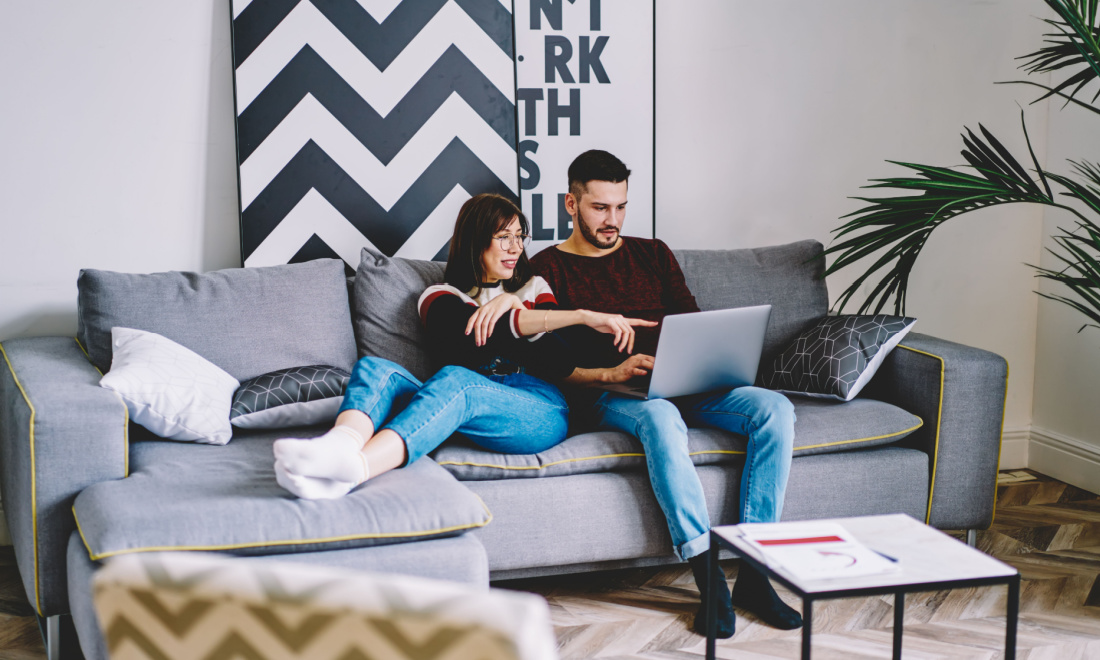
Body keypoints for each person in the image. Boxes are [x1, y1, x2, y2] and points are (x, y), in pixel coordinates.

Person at [530, 150, 802, 638]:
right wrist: (614, 371)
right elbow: (551, 365)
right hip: (616, 393)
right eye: (599, 208)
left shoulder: (653, 254)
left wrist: (710, 362)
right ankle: (708, 577)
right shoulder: (547, 267)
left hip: (687, 383)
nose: (612, 220)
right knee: (659, 417)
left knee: (775, 409)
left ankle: (756, 574)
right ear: (570, 204)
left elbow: (693, 323)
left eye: (621, 207)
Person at [273, 193, 655, 500]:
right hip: (465, 393)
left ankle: (356, 469)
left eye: (520, 236)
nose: (515, 247)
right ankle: (338, 447)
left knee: (459, 381)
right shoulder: (439, 295)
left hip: (539, 408)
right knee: (376, 368)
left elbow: (555, 358)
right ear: (476, 241)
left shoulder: (535, 288)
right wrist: (511, 310)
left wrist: (525, 305)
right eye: (504, 236)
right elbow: (473, 341)